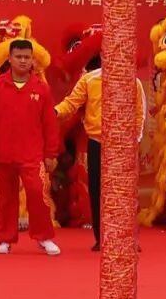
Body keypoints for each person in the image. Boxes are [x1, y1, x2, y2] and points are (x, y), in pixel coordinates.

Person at [0, 38, 61, 256]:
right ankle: (4, 239)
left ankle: (44, 237)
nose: (23, 61)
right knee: (3, 199)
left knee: (37, 194)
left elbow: (50, 124)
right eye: (19, 57)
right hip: (2, 153)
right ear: (10, 59)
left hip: (32, 154)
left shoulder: (41, 89)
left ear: (33, 61)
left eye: (27, 57)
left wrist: (51, 154)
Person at [56, 51, 146, 251]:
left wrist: (134, 140)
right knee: (97, 191)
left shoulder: (134, 82)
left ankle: (127, 238)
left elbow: (139, 112)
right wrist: (54, 111)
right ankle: (101, 238)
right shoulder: (89, 79)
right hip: (97, 142)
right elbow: (71, 103)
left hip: (122, 145)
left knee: (124, 194)